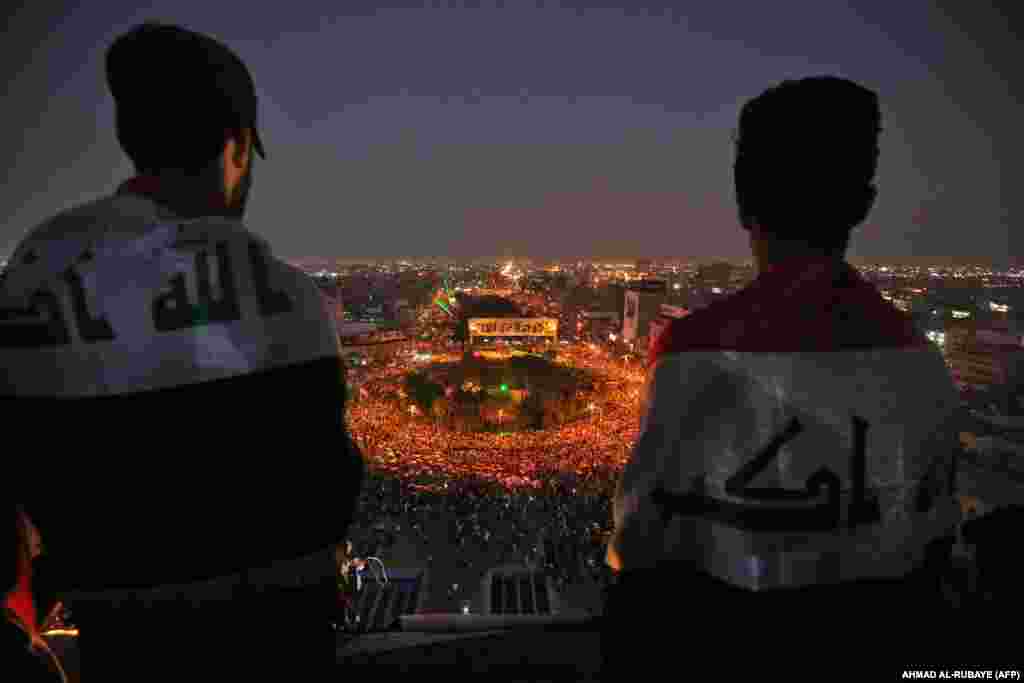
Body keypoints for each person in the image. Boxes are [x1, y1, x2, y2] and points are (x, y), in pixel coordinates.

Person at [0, 22, 363, 679]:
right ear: (236, 146)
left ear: (130, 138)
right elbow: (330, 494)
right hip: (279, 650)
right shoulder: (283, 297)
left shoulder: (35, 271)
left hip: (122, 650)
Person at [602, 76, 975, 674]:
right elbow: (934, 546)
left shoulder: (696, 352)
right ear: (863, 203)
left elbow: (642, 545)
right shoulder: (919, 362)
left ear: (743, 201)